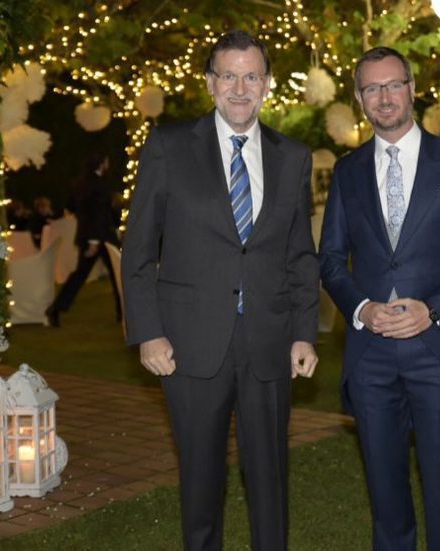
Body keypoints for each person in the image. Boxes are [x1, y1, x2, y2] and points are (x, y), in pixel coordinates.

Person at [121, 31, 319, 551]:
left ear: (268, 85)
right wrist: (148, 333)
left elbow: (300, 254)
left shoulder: (293, 157)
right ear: (210, 84)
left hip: (269, 341)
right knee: (200, 480)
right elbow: (138, 250)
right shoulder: (168, 146)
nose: (239, 87)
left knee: (270, 478)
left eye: (251, 76)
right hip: (187, 344)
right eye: (228, 75)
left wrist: (304, 333)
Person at [319, 46, 440, 550]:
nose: (384, 97)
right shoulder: (347, 172)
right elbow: (329, 260)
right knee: (385, 493)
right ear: (359, 98)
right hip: (370, 358)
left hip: (437, 351)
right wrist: (361, 309)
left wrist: (431, 310)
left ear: (412, 89)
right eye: (372, 88)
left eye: (393, 85)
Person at [45, 153, 121, 327]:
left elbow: (72, 207)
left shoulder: (80, 183)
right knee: (117, 274)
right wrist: (94, 240)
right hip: (100, 237)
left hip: (89, 235)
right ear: (101, 164)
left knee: (79, 275)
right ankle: (122, 312)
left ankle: (56, 309)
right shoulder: (98, 185)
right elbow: (98, 213)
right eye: (107, 160)